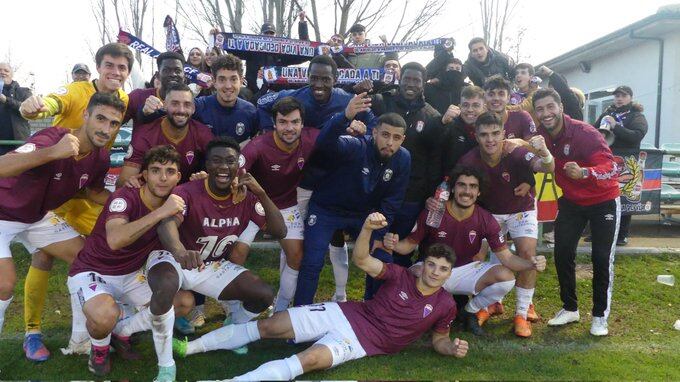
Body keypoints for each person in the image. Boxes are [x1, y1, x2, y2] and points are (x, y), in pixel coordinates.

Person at [173, 212, 468, 381]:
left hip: (360, 343)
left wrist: (450, 349)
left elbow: (439, 338)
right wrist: (366, 229)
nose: (434, 271)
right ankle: (191, 348)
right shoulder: (400, 275)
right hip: (346, 314)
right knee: (270, 326)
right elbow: (363, 260)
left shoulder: (444, 305)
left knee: (309, 359)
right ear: (423, 265)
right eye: (431, 264)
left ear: (448, 273)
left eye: (442, 269)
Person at [128, 137, 285, 369]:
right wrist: (179, 251)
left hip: (211, 264)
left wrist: (261, 193)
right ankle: (155, 355)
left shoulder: (246, 196)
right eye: (217, 161)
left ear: (238, 166)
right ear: (207, 165)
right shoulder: (187, 191)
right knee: (166, 287)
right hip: (173, 257)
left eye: (230, 161)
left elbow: (279, 230)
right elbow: (167, 224)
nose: (223, 167)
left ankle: (234, 329)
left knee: (263, 294)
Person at [0, 93, 124, 360]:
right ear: (86, 115)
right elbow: (3, 166)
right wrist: (53, 153)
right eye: (101, 118)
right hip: (2, 213)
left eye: (114, 124)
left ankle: (81, 340)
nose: (106, 128)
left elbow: (92, 192)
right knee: (4, 283)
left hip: (37, 217)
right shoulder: (55, 137)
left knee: (86, 260)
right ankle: (31, 333)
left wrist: (129, 199)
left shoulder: (101, 157)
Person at [258, 54, 378, 301]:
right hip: (304, 179)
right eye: (314, 78)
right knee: (291, 237)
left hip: (338, 181)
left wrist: (362, 133)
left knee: (336, 238)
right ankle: (284, 299)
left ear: (336, 79)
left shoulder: (347, 100)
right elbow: (261, 108)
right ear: (307, 77)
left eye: (325, 79)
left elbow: (375, 130)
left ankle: (341, 294)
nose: (319, 84)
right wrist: (273, 139)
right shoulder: (293, 98)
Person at [66, 145, 193, 377]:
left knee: (183, 302)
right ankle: (100, 348)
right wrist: (161, 212)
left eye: (170, 171)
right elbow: (115, 240)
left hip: (132, 274)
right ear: (144, 175)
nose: (163, 178)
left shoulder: (179, 198)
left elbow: (206, 189)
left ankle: (122, 332)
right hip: (93, 271)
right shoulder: (125, 196)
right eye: (155, 170)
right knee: (105, 315)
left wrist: (202, 179)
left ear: (178, 176)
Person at [383, 165, 547, 336]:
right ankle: (421, 315)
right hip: (433, 269)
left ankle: (469, 311)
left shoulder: (485, 218)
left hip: (466, 271)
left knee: (505, 277)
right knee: (414, 273)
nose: (467, 191)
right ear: (453, 188)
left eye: (473, 186)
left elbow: (507, 258)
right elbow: (408, 244)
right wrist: (393, 243)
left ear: (479, 192)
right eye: (462, 185)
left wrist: (531, 264)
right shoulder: (434, 212)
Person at [294, 107, 411, 307]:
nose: (390, 143)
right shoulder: (356, 145)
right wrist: (344, 117)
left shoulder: (403, 158)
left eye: (396, 138)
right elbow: (324, 144)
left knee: (382, 258)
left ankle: (374, 311)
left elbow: (393, 200)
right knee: (312, 262)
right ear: (374, 132)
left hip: (362, 215)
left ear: (403, 139)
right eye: (385, 135)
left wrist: (380, 233)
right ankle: (299, 317)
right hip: (326, 209)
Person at [457, 111, 555, 337]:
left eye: (495, 133)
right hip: (489, 213)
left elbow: (546, 167)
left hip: (520, 209)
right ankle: (487, 304)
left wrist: (545, 153)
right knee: (477, 257)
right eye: (484, 135)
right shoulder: (469, 160)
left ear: (503, 133)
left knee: (527, 254)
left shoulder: (515, 151)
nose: (490, 139)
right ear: (476, 136)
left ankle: (521, 313)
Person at [532, 88, 620, 336]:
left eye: (550, 107)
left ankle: (600, 316)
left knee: (601, 258)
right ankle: (570, 308)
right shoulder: (541, 135)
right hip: (571, 201)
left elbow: (612, 168)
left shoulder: (585, 133)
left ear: (561, 107)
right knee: (561, 253)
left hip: (604, 200)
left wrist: (585, 172)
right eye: (540, 109)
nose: (546, 113)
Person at [240, 97, 320, 312]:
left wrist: (355, 130)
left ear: (302, 123)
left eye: (295, 122)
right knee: (236, 255)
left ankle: (281, 309)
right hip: (254, 206)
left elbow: (337, 141)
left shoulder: (311, 139)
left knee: (296, 257)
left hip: (286, 205)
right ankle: (235, 311)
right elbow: (236, 172)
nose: (289, 128)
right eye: (283, 122)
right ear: (274, 123)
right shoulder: (257, 146)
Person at [368, 62, 445, 277]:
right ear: (400, 79)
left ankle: (397, 299)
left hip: (412, 195)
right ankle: (372, 299)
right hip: (381, 190)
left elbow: (434, 158)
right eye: (407, 79)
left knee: (400, 251)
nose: (410, 84)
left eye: (416, 80)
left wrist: (429, 193)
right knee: (375, 247)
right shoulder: (383, 102)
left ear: (423, 84)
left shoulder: (431, 115)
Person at [118, 82, 213, 186]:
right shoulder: (145, 134)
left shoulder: (202, 132)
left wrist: (207, 179)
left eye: (187, 104)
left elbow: (220, 168)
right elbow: (122, 183)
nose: (181, 110)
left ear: (193, 108)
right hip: (152, 194)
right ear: (165, 106)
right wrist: (130, 184)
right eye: (175, 104)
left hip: (187, 196)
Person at [592, 85, 647, 246]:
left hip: (626, 161)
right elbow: (593, 131)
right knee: (601, 196)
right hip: (606, 160)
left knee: (624, 197)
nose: (619, 98)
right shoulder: (607, 113)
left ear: (630, 97)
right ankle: (599, 231)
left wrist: (616, 126)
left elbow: (637, 135)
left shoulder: (637, 115)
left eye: (623, 95)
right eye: (617, 95)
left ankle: (622, 234)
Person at [193, 54, 260, 143]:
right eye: (222, 79)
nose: (228, 86)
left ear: (241, 81)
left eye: (233, 79)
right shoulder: (199, 106)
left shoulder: (250, 112)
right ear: (214, 81)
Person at [127, 51, 186, 130]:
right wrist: (143, 112)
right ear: (157, 75)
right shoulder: (138, 96)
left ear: (184, 76)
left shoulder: (190, 104)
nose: (173, 74)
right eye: (166, 70)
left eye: (177, 71)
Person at [0, 62, 32, 154]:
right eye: (0, 70)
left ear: (12, 74)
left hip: (18, 144)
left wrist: (6, 100)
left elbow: (27, 110)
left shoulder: (24, 91)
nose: (2, 72)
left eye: (6, 70)